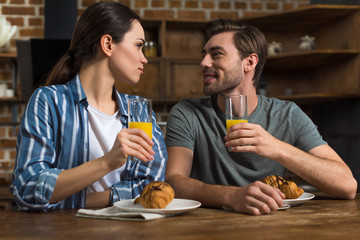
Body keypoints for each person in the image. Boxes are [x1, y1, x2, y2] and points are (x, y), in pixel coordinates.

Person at [165, 19, 357, 215]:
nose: (204, 63)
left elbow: (347, 185)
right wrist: (232, 196)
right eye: (204, 55)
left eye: (216, 54)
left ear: (249, 62)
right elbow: (174, 181)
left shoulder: (287, 115)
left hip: (271, 225)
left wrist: (277, 148)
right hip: (204, 227)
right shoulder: (187, 112)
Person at [11, 1, 167, 211]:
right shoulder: (48, 101)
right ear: (108, 44)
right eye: (138, 45)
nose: (144, 59)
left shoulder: (137, 111)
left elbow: (152, 186)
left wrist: (77, 201)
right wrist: (107, 162)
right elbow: (27, 188)